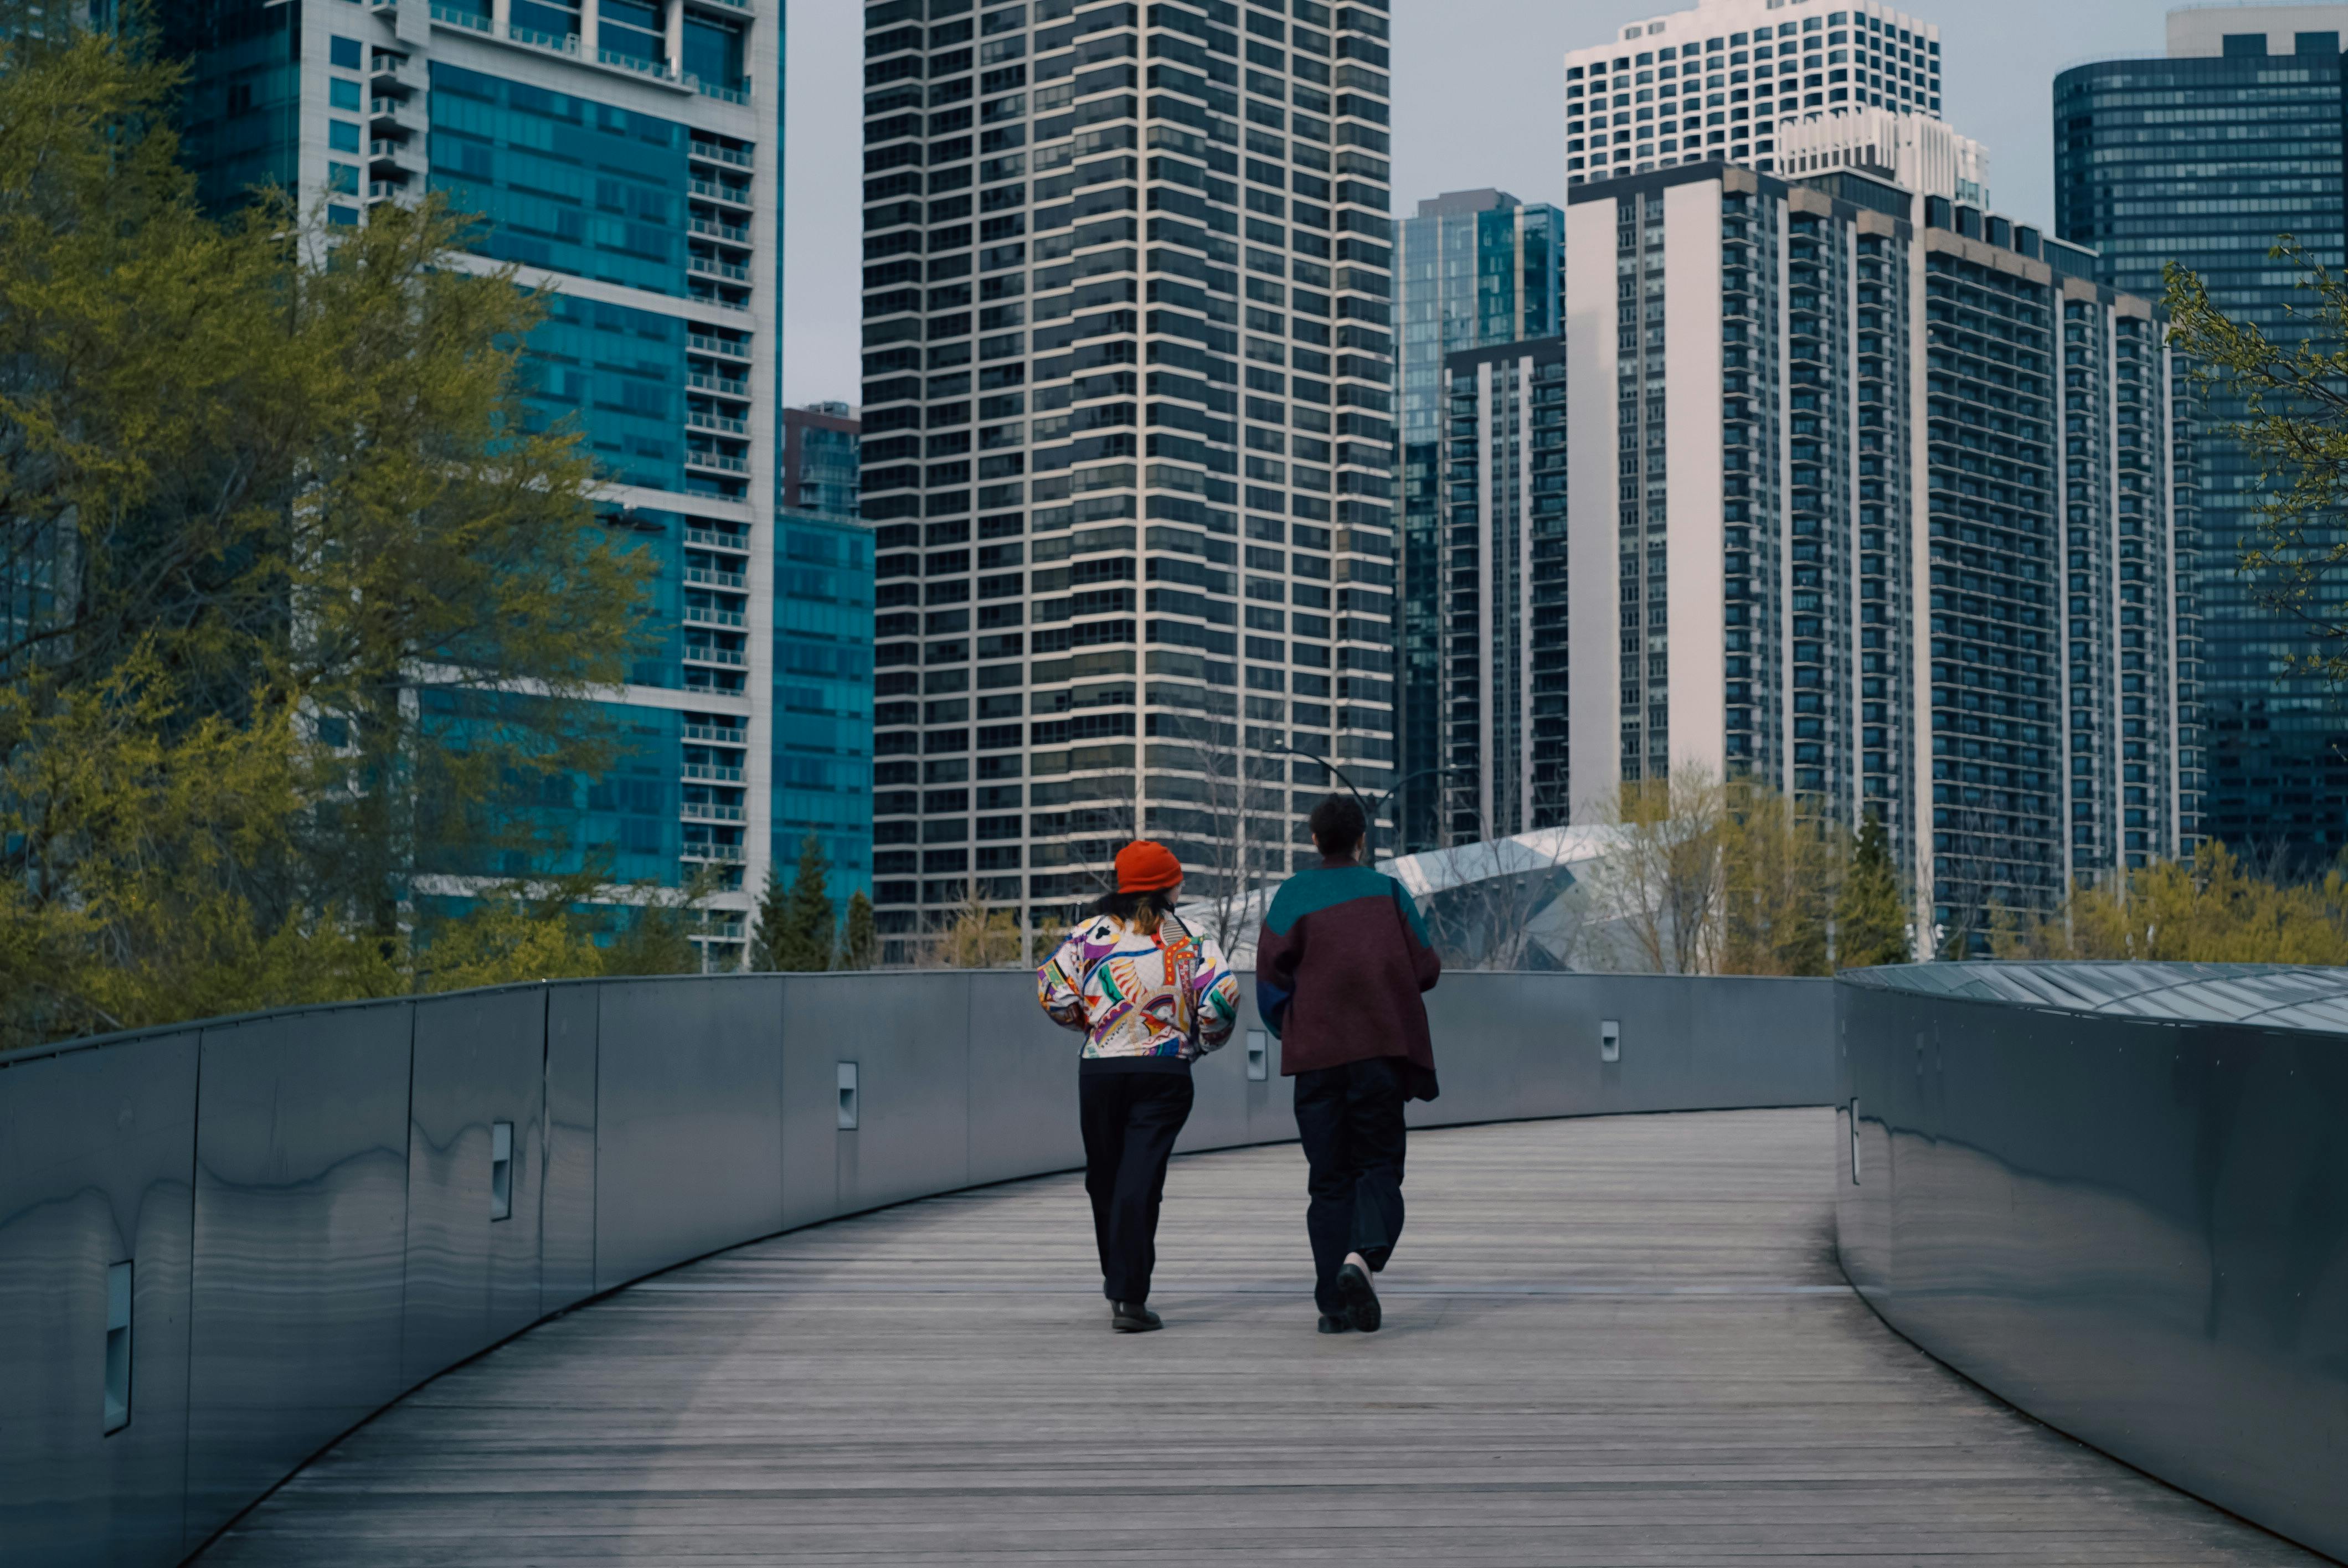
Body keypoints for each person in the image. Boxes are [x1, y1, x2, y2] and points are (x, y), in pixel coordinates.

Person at [1255, 794, 1441, 1334]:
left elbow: (1269, 983)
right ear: (1360, 839)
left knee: (1328, 1179)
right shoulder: (1387, 892)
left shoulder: (1293, 895)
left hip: (1314, 1060)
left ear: (1315, 840)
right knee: (1378, 1166)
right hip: (1378, 1054)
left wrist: (1294, 1027)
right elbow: (1426, 969)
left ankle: (1333, 1308)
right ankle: (1360, 1260)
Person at [1037, 839, 1239, 1332]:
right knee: (1140, 1178)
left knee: (1104, 1179)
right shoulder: (1190, 936)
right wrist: (1202, 1041)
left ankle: (1122, 1286)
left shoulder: (1089, 934)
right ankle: (1128, 1294)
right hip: (1164, 1072)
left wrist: (1092, 1025)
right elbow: (1223, 996)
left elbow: (1051, 989)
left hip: (1101, 1071)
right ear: (1169, 885)